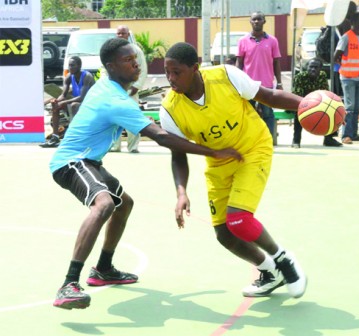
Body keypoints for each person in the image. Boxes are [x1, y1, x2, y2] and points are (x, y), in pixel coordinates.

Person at [50, 38, 241, 310]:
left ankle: (103, 269)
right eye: (128, 60)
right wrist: (212, 151)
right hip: (71, 162)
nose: (136, 64)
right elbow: (162, 138)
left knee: (123, 204)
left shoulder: (109, 88)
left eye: (135, 59)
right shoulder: (114, 99)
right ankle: (68, 284)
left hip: (89, 162)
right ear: (110, 66)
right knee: (104, 204)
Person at [160, 42, 307, 299]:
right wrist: (181, 192)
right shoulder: (170, 109)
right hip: (218, 164)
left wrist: (306, 105)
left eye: (177, 72)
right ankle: (270, 272)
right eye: (167, 72)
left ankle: (284, 260)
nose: (171, 79)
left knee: (238, 218)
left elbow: (268, 96)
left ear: (195, 68)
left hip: (253, 148)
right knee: (225, 235)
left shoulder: (226, 76)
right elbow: (178, 155)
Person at [235, 11, 283, 137]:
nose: (256, 21)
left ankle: (269, 140)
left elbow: (276, 62)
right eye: (254, 19)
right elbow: (239, 63)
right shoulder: (243, 41)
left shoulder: (272, 41)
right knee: (247, 114)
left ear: (264, 21)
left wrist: (279, 82)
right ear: (250, 22)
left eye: (259, 19)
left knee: (268, 114)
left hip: (266, 84)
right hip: (247, 84)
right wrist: (236, 82)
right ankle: (248, 140)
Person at [40, 56, 95, 148]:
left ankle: (73, 137)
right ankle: (55, 137)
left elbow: (82, 97)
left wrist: (64, 102)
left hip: (91, 104)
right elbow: (63, 95)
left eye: (73, 65)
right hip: (80, 103)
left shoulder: (87, 76)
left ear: (79, 66)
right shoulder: (69, 76)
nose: (70, 67)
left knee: (74, 105)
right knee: (56, 105)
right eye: (69, 65)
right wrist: (57, 101)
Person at [110, 24, 148, 153]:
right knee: (114, 118)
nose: (121, 35)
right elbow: (105, 70)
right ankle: (115, 146)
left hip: (131, 90)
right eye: (119, 33)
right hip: (116, 90)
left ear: (128, 35)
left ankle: (133, 147)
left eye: (123, 33)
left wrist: (136, 87)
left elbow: (142, 69)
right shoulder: (112, 52)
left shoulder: (135, 51)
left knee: (132, 118)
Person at [291, 58, 342, 148]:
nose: (313, 69)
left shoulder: (322, 76)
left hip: (319, 103)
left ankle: (328, 139)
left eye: (316, 67)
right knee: (298, 112)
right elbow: (296, 96)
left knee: (331, 110)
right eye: (311, 67)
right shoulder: (300, 77)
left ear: (320, 69)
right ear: (307, 68)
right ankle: (296, 140)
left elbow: (326, 94)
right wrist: (311, 105)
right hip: (301, 102)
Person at [334, 12, 359, 144]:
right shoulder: (346, 37)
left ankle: (353, 134)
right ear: (354, 23)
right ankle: (345, 135)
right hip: (348, 77)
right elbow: (337, 54)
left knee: (357, 107)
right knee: (350, 107)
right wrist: (342, 66)